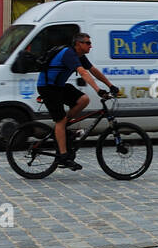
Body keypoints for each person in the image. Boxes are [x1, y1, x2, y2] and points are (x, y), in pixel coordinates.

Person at [37, 33, 119, 170]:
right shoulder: (69, 54)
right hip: (47, 88)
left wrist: (110, 85)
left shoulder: (80, 56)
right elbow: (84, 73)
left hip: (59, 87)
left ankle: (63, 127)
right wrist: (98, 90)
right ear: (78, 44)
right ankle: (63, 156)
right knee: (60, 120)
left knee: (83, 99)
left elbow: (93, 71)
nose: (90, 46)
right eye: (87, 43)